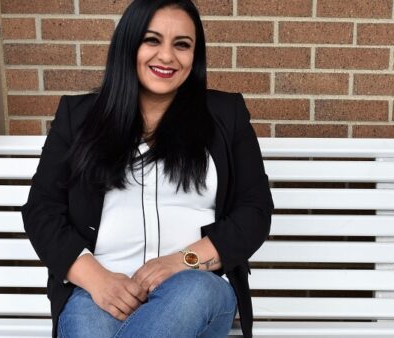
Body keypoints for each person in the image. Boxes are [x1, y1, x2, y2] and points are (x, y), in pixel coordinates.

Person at [21, 0, 274, 337]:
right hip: (97, 292)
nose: (167, 56)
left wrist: (181, 262)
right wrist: (98, 280)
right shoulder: (78, 117)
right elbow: (42, 211)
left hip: (196, 291)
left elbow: (254, 211)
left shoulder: (225, 116)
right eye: (152, 40)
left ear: (194, 56)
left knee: (194, 292)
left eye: (181, 44)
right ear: (129, 44)